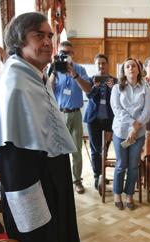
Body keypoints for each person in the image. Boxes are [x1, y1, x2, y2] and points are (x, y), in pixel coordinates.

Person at [0, 12, 85, 242]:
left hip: (49, 177)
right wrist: (31, 210)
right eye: (38, 35)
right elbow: (14, 156)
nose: (47, 42)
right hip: (33, 187)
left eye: (50, 36)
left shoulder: (32, 75)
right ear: (19, 41)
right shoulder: (15, 82)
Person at [110, 58, 150, 210]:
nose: (131, 68)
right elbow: (117, 109)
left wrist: (136, 129)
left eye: (133, 66)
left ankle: (129, 195)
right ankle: (117, 194)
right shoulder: (117, 88)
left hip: (138, 134)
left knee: (134, 166)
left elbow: (147, 111)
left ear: (138, 69)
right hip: (121, 131)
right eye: (127, 66)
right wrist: (132, 125)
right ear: (124, 70)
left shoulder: (145, 87)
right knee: (121, 164)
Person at [51, 40, 92, 194]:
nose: (65, 55)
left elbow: (88, 89)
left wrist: (74, 75)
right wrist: (54, 73)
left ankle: (77, 181)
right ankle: (61, 180)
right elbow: (47, 89)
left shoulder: (80, 69)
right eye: (62, 52)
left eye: (68, 52)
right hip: (59, 114)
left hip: (75, 114)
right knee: (59, 150)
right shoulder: (54, 69)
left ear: (73, 53)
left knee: (76, 150)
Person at [84, 54, 117, 190]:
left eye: (103, 63)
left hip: (109, 120)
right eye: (98, 64)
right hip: (94, 120)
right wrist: (96, 87)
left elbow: (118, 98)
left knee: (105, 149)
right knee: (95, 149)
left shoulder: (114, 81)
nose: (101, 66)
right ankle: (97, 176)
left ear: (107, 64)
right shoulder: (91, 80)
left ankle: (103, 174)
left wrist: (112, 88)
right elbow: (89, 95)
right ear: (95, 65)